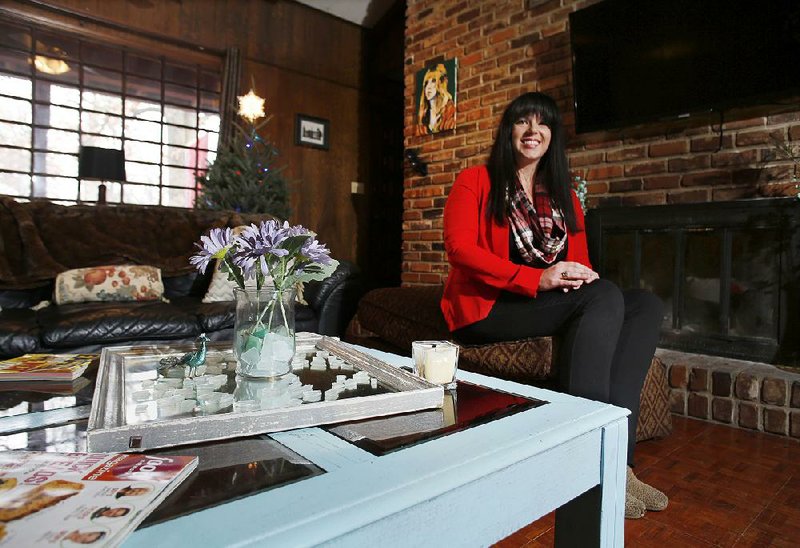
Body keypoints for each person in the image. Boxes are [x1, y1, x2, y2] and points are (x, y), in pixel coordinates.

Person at [441, 91, 668, 520]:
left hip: (544, 300)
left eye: (541, 123)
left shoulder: (564, 196)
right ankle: (582, 458)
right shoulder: (476, 180)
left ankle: (619, 461)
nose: (532, 131)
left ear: (552, 136)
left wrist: (579, 278)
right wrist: (536, 277)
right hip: (489, 308)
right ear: (508, 132)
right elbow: (459, 249)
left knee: (644, 304)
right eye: (522, 122)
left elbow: (579, 264)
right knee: (603, 296)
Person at [415, 64, 456, 135]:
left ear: (440, 83)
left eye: (433, 81)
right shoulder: (423, 114)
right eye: (426, 83)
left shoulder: (449, 109)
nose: (428, 87)